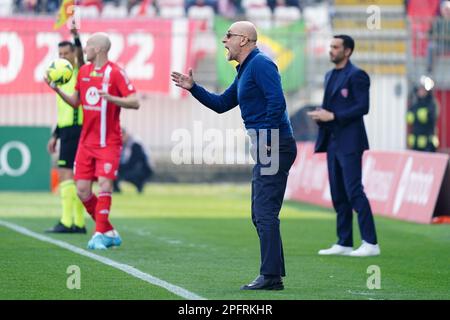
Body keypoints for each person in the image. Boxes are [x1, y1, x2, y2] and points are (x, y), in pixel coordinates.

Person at [171, 21, 297, 290]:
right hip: (267, 143)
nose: (223, 40)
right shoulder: (246, 70)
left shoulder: (261, 64)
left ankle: (271, 277)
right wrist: (194, 88)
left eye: (228, 35)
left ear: (245, 40)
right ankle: (272, 274)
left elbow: (277, 102)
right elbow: (221, 104)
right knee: (260, 213)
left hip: (273, 143)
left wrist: (269, 137)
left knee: (264, 212)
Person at [45, 32, 140, 250]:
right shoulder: (84, 72)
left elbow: (135, 102)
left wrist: (113, 98)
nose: (84, 49)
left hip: (109, 142)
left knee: (105, 184)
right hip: (86, 143)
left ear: (97, 49)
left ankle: (99, 234)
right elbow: (76, 102)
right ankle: (108, 230)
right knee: (82, 191)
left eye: (87, 45)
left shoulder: (116, 73)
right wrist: (57, 89)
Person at [307, 35, 380, 257]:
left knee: (354, 190)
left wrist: (333, 115)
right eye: (330, 46)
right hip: (332, 141)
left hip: (350, 141)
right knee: (338, 193)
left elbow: (362, 107)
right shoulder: (330, 75)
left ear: (347, 51)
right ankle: (344, 241)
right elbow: (330, 107)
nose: (331, 50)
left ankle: (370, 243)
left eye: (335, 47)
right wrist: (322, 114)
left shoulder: (357, 75)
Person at [46, 25, 86, 234]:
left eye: (66, 53)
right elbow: (62, 111)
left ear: (73, 54)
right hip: (66, 130)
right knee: (74, 176)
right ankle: (77, 223)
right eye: (59, 54)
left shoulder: (79, 71)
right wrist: (55, 135)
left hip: (76, 129)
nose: (62, 56)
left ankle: (67, 221)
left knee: (66, 174)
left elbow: (82, 58)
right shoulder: (60, 77)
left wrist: (76, 37)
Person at [113, 128, 153, 193]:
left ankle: (139, 184)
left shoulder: (135, 143)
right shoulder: (126, 143)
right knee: (115, 171)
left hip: (144, 168)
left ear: (125, 135)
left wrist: (119, 167)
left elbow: (134, 161)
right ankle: (117, 189)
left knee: (119, 172)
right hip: (136, 166)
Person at [407, 76, 439, 152]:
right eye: (419, 89)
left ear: (428, 91)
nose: (420, 91)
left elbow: (431, 118)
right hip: (415, 144)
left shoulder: (432, 104)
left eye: (423, 89)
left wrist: (417, 115)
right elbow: (408, 118)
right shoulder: (415, 104)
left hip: (428, 145)